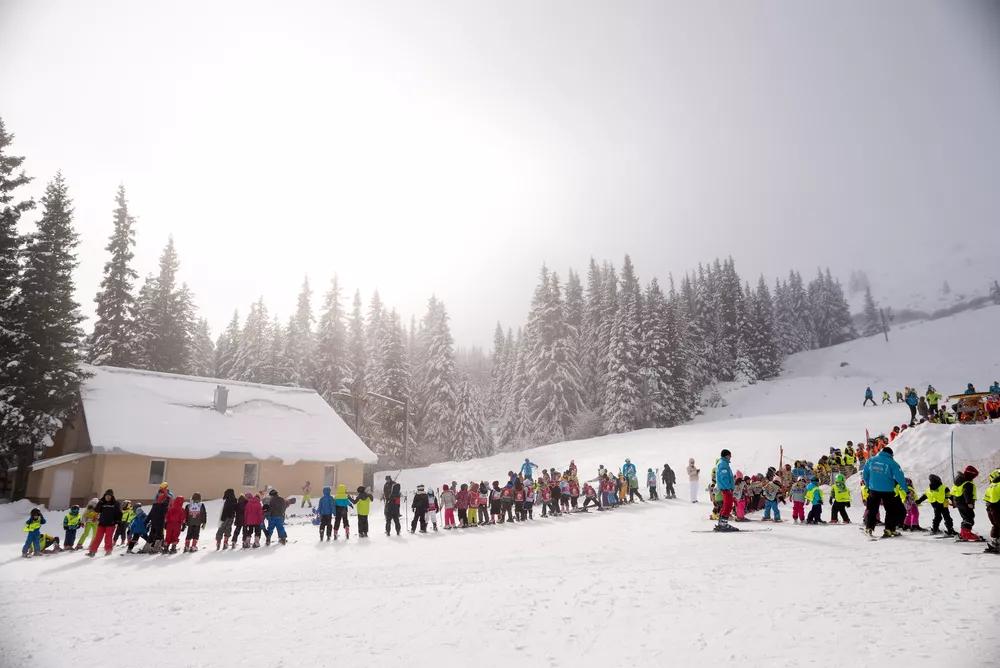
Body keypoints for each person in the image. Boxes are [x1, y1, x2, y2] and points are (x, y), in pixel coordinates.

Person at [862, 445, 907, 538]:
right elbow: (900, 477)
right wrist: (906, 490)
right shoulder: (892, 463)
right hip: (888, 490)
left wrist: (867, 485)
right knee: (891, 510)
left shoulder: (871, 460)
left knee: (872, 509)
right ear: (890, 454)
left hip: (873, 489)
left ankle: (869, 528)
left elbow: (865, 474)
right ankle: (889, 530)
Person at [88, 489, 122, 557]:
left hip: (111, 524)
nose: (108, 497)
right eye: (107, 496)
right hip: (102, 523)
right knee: (97, 537)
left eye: (109, 496)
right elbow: (97, 510)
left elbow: (119, 513)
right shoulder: (102, 502)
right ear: (104, 496)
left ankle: (108, 550)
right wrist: (100, 503)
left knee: (108, 538)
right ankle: (92, 551)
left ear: (112, 496)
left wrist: (118, 521)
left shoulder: (116, 503)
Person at [952, 465, 981, 542]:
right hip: (965, 503)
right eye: (974, 476)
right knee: (970, 517)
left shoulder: (959, 482)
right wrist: (969, 503)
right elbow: (967, 493)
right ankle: (966, 534)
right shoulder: (967, 483)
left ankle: (963, 533)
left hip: (959, 503)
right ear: (970, 475)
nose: (974, 478)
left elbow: (953, 493)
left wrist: (954, 502)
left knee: (965, 517)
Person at [714, 449, 737, 531]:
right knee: (728, 506)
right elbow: (724, 478)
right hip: (726, 489)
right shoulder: (723, 464)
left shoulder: (723, 463)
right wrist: (729, 488)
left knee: (726, 505)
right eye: (730, 455)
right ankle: (723, 524)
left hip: (726, 488)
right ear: (726, 455)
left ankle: (721, 523)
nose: (730, 457)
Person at [983, 468, 999, 554]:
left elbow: (987, 500)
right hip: (996, 509)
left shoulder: (991, 486)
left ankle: (995, 542)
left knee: (996, 525)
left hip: (990, 510)